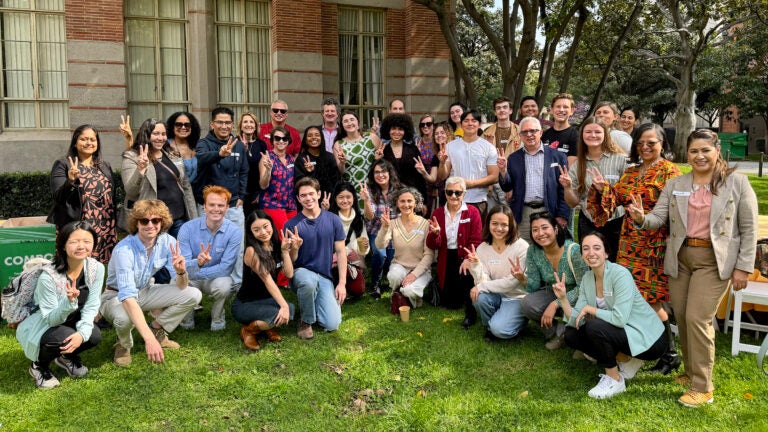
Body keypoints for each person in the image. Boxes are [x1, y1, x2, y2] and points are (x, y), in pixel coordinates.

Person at [628, 129, 758, 407]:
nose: (699, 156)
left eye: (705, 150)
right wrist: (642, 218)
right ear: (687, 154)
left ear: (717, 151)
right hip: (681, 258)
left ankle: (703, 386)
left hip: (714, 261)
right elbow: (659, 217)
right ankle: (689, 372)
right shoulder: (676, 183)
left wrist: (744, 268)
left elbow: (749, 229)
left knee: (698, 319)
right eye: (693, 151)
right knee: (684, 317)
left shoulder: (736, 183)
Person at [588, 123, 683, 375]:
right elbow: (614, 200)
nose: (645, 147)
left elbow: (676, 213)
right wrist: (602, 190)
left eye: (651, 143)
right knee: (632, 300)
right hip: (629, 245)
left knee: (651, 302)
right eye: (640, 143)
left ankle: (669, 354)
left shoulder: (670, 172)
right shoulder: (631, 172)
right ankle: (637, 349)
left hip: (654, 246)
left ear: (663, 144)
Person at [556, 232, 668, 399]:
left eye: (596, 248)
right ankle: (625, 359)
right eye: (585, 249)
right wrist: (563, 298)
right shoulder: (587, 278)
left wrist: (592, 310)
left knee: (595, 326)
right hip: (623, 333)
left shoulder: (619, 274)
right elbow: (575, 318)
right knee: (572, 334)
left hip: (650, 339)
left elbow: (619, 318)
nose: (591, 253)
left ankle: (614, 380)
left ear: (606, 253)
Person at [100, 200, 202, 366]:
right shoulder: (124, 250)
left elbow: (182, 286)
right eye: (144, 221)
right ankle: (124, 344)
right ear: (136, 223)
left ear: (162, 222)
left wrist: (181, 271)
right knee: (124, 318)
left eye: (155, 220)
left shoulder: (167, 241)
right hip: (116, 296)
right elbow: (127, 297)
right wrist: (149, 341)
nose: (150, 225)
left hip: (145, 290)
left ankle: (157, 328)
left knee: (193, 294)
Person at [17, 221, 103, 389]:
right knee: (62, 337)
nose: (81, 246)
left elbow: (92, 305)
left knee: (93, 335)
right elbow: (51, 319)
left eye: (87, 241)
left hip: (73, 320)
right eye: (74, 241)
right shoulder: (48, 277)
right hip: (45, 324)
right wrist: (69, 302)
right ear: (63, 245)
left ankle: (65, 357)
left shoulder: (96, 268)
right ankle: (38, 366)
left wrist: (82, 334)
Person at [285, 177, 347, 340]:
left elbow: (341, 252)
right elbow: (291, 261)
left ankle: (313, 304)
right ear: (298, 198)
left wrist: (341, 283)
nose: (308, 198)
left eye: (311, 194)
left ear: (319, 194)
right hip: (301, 274)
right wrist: (295, 249)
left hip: (324, 276)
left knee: (332, 324)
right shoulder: (292, 225)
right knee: (308, 282)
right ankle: (306, 321)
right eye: (303, 195)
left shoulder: (333, 219)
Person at [47, 125, 117, 263]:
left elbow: (111, 196)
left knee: (98, 268)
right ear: (75, 142)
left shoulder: (104, 166)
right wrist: (71, 181)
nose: (89, 143)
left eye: (92, 139)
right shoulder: (64, 164)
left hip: (105, 226)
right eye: (84, 139)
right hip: (77, 226)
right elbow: (58, 197)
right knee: (75, 265)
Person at [195, 107, 248, 286]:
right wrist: (219, 154)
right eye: (220, 122)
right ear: (212, 124)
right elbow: (201, 159)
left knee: (237, 246)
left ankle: (236, 283)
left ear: (232, 125)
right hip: (210, 208)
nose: (224, 126)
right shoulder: (204, 144)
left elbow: (244, 171)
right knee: (207, 246)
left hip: (233, 205)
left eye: (227, 123)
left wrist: (242, 195)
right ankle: (208, 282)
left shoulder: (239, 144)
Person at [559, 117, 626, 257]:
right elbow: (573, 203)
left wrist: (605, 190)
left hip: (616, 223)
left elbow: (627, 195)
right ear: (582, 134)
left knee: (616, 264)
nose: (593, 135)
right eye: (588, 132)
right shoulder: (578, 165)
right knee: (591, 262)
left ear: (605, 134)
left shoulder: (620, 160)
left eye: (597, 132)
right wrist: (567, 187)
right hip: (589, 223)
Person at [177, 186, 242, 331]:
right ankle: (186, 319)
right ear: (204, 207)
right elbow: (184, 265)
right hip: (191, 276)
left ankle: (217, 318)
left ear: (227, 208)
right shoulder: (187, 228)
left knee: (225, 285)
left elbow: (226, 267)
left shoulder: (234, 232)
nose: (216, 209)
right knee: (177, 281)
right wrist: (197, 263)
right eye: (212, 205)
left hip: (215, 277)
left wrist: (197, 270)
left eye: (221, 205)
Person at [520, 212, 588, 350]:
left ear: (556, 229)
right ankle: (557, 333)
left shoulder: (574, 250)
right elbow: (533, 287)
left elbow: (584, 287)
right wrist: (521, 278)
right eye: (535, 230)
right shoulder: (533, 251)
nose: (540, 233)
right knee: (527, 303)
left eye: (545, 228)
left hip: (578, 295)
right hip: (552, 291)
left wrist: (555, 304)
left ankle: (580, 339)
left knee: (580, 331)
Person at [460, 205, 529, 341]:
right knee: (480, 297)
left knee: (501, 330)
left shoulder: (522, 247)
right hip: (495, 295)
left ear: (511, 225)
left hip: (516, 297)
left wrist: (482, 287)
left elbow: (511, 282)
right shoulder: (483, 248)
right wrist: (475, 265)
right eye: (495, 224)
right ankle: (491, 327)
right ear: (488, 224)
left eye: (504, 225)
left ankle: (513, 323)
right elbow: (482, 281)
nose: (499, 228)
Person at [121, 118, 198, 238]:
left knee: (180, 254)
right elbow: (131, 191)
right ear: (146, 135)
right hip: (153, 222)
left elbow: (186, 186)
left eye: (163, 134)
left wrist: (194, 219)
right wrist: (140, 169)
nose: (160, 138)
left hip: (178, 219)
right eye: (156, 133)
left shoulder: (173, 155)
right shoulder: (132, 157)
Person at [498, 117, 570, 243]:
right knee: (524, 249)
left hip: (549, 210)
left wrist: (562, 215)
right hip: (523, 213)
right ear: (520, 135)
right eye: (524, 132)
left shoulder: (557, 156)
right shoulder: (514, 158)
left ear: (541, 133)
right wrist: (503, 171)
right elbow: (507, 187)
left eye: (533, 131)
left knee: (550, 248)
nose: (529, 135)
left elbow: (563, 189)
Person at [232, 210, 296, 351]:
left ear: (271, 225)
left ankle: (266, 327)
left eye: (265, 226)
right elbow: (267, 280)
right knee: (279, 312)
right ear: (251, 233)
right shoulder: (251, 251)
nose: (263, 232)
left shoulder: (276, 245)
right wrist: (282, 306)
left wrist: (285, 252)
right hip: (245, 303)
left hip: (266, 300)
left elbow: (289, 274)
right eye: (256, 229)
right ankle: (249, 330)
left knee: (290, 310)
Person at [426, 177, 483, 327]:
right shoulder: (437, 213)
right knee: (450, 304)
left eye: (458, 193)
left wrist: (467, 258)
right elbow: (432, 245)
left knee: (463, 295)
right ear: (445, 193)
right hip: (446, 258)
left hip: (465, 257)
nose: (453, 196)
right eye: (450, 192)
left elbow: (477, 240)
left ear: (464, 194)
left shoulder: (473, 212)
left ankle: (471, 310)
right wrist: (436, 234)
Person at [376, 186, 434, 308]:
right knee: (394, 276)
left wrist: (414, 274)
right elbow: (380, 244)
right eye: (402, 201)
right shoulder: (392, 224)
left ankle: (402, 296)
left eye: (409, 201)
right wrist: (385, 228)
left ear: (416, 203)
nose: (406, 204)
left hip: (420, 270)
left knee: (410, 291)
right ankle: (400, 295)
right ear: (397, 203)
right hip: (400, 266)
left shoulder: (425, 224)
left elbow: (429, 255)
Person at [438, 109, 500, 219]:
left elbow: (494, 177)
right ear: (461, 124)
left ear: (479, 124)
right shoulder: (450, 146)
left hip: (479, 200)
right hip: (455, 199)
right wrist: (442, 163)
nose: (470, 123)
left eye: (474, 120)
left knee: (478, 235)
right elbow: (442, 175)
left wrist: (471, 184)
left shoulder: (488, 147)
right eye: (466, 121)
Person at [360, 159, 402, 298]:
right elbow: (369, 216)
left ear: (390, 173)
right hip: (376, 231)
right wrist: (366, 200)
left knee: (391, 259)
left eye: (383, 171)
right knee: (380, 254)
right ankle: (375, 285)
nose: (380, 175)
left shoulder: (399, 190)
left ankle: (391, 282)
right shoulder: (370, 191)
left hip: (394, 232)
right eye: (377, 172)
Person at [329, 182, 370, 298]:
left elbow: (363, 249)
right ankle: (334, 284)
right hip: (333, 262)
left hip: (354, 263)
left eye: (348, 197)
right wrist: (347, 251)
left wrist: (364, 248)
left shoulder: (358, 219)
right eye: (341, 197)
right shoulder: (330, 218)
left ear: (353, 198)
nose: (345, 201)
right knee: (339, 269)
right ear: (335, 199)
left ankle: (343, 284)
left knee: (358, 290)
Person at [378, 113, 428, 203]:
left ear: (405, 131)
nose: (397, 132)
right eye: (393, 128)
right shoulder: (383, 151)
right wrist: (377, 160)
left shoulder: (413, 149)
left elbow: (420, 178)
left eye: (400, 129)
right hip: (390, 198)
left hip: (411, 197)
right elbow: (377, 175)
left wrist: (423, 202)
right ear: (388, 130)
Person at [259, 126, 297, 232]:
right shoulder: (267, 158)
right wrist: (268, 170)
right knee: (285, 236)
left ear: (288, 141)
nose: (281, 141)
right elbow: (263, 185)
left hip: (291, 205)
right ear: (272, 140)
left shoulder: (291, 159)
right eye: (277, 138)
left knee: (294, 236)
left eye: (284, 139)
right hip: (273, 204)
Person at [335, 111, 382, 186]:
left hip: (372, 186)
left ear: (358, 122)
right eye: (346, 121)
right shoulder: (338, 144)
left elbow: (384, 161)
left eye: (352, 119)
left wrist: (378, 159)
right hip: (350, 188)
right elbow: (341, 172)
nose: (349, 123)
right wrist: (342, 162)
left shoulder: (371, 137)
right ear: (342, 125)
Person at [294, 125, 340, 201]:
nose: (313, 137)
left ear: (321, 138)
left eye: (317, 135)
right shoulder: (301, 159)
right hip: (309, 200)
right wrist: (310, 172)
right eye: (309, 135)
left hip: (329, 200)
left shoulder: (330, 157)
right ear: (305, 140)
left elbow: (336, 180)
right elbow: (299, 184)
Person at [237, 111, 268, 216]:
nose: (248, 124)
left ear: (255, 127)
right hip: (238, 193)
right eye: (245, 122)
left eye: (251, 122)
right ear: (241, 126)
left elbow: (264, 171)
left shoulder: (261, 144)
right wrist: (242, 150)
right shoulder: (234, 142)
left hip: (255, 194)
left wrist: (261, 193)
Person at [540, 93, 579, 166]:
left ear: (572, 111)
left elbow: (570, 169)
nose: (561, 110)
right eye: (558, 106)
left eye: (565, 107)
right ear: (552, 110)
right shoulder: (544, 135)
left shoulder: (576, 136)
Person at [166, 111, 202, 184]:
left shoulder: (198, 145)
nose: (183, 127)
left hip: (195, 192)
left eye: (187, 125)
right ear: (172, 127)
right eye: (178, 124)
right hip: (173, 191)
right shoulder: (165, 146)